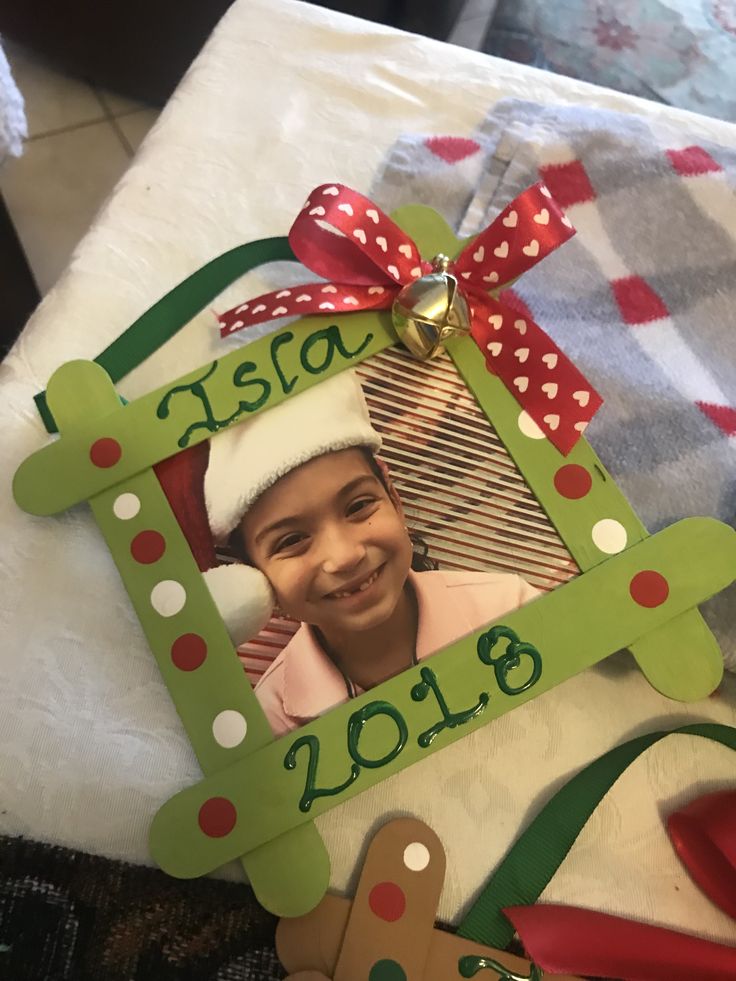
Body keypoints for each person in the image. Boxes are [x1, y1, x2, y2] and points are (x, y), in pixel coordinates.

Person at [203, 371, 540, 737]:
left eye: (359, 506)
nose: (344, 556)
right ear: (254, 573)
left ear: (393, 498)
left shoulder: (510, 607)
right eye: (290, 540)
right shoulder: (271, 725)